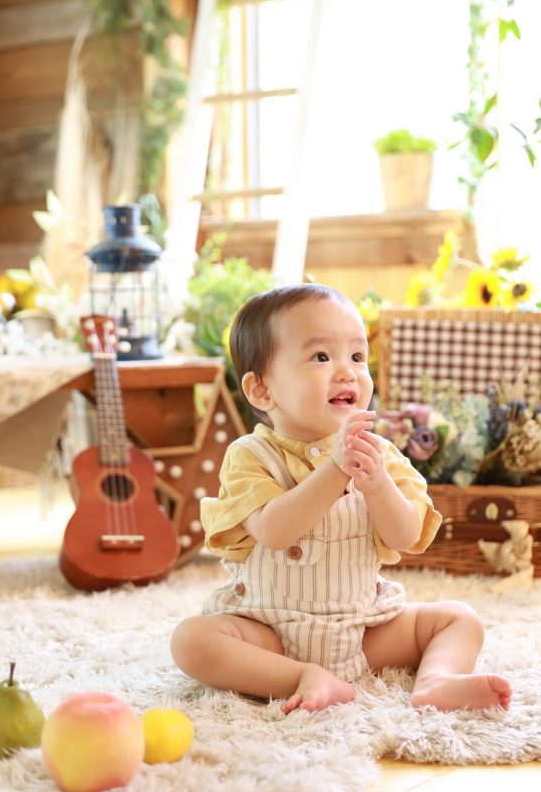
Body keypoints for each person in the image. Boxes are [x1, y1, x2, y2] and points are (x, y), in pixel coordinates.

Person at [171, 283, 512, 714]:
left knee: (459, 617)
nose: (348, 372)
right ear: (262, 391)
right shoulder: (250, 455)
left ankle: (436, 681)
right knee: (192, 641)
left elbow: (406, 536)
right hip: (268, 630)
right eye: (320, 357)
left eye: (356, 357)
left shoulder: (380, 455)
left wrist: (376, 485)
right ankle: (301, 676)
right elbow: (274, 531)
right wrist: (334, 470)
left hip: (364, 629)